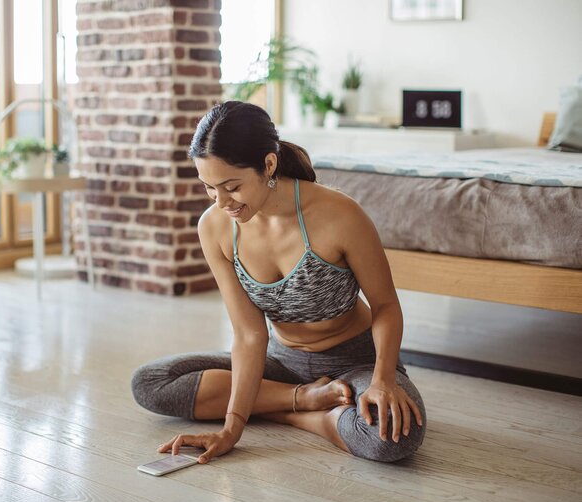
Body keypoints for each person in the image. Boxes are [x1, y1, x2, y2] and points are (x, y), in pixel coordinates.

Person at [131, 101, 426, 464]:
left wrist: (383, 380)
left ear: (268, 165)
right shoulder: (215, 227)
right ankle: (306, 406)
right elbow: (250, 334)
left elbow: (385, 306)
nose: (221, 202)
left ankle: (297, 410)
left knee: (394, 437)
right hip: (281, 362)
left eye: (232, 186)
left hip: (357, 361)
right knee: (152, 382)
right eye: (209, 188)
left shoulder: (339, 215)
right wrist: (230, 430)